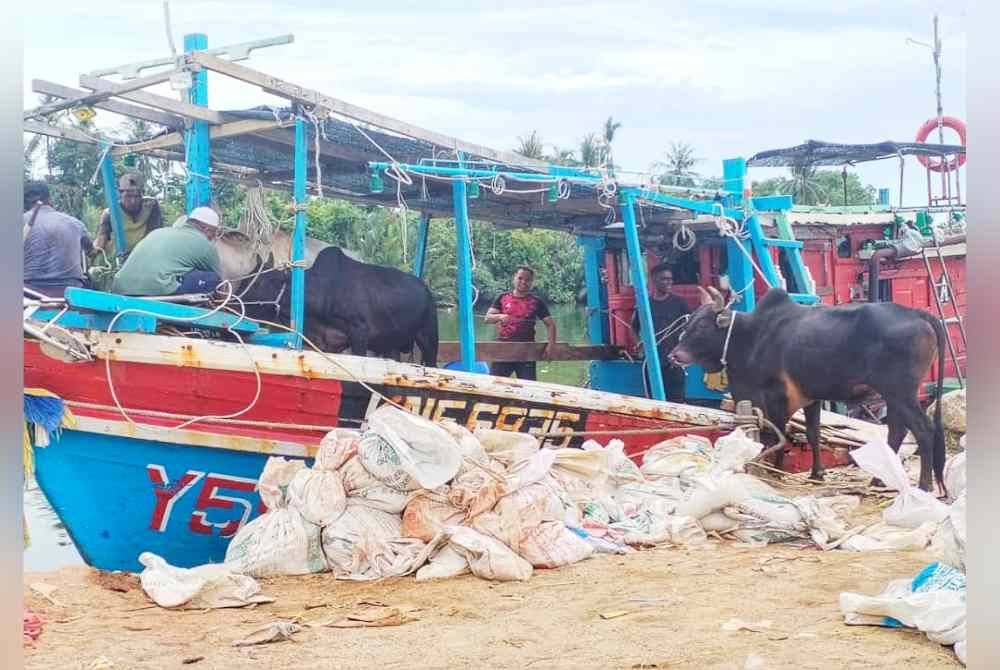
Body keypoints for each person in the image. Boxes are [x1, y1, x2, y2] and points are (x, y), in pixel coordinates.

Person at [111, 206, 223, 296]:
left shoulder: (158, 232)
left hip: (120, 288)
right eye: (214, 233)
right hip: (157, 289)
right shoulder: (204, 243)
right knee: (212, 279)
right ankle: (186, 320)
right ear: (207, 230)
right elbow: (220, 279)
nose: (213, 237)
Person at [484, 266, 557, 381]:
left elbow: (550, 325)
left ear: (532, 282)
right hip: (503, 349)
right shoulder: (502, 297)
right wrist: (500, 316)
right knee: (495, 385)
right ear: (514, 278)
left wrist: (550, 346)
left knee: (529, 389)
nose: (523, 282)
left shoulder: (536, 302)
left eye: (527, 280)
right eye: (520, 278)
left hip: (526, 351)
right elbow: (487, 318)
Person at [23, 180, 93, 298]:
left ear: (24, 204)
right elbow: (91, 251)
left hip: (29, 294)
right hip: (70, 295)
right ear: (50, 200)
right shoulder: (75, 223)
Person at [631, 264, 691, 402]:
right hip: (652, 360)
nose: (669, 282)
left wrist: (684, 350)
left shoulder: (680, 303)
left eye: (670, 279)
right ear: (654, 280)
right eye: (664, 279)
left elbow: (692, 327)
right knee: (653, 400)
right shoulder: (646, 304)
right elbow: (634, 326)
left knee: (677, 400)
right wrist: (639, 345)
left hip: (674, 361)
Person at [95, 172, 163, 258]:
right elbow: (102, 238)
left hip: (145, 254)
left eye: (137, 196)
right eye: (128, 196)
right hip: (119, 258)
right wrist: (94, 251)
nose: (133, 201)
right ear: (120, 194)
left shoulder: (151, 206)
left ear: (142, 194)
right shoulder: (110, 213)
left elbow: (154, 235)